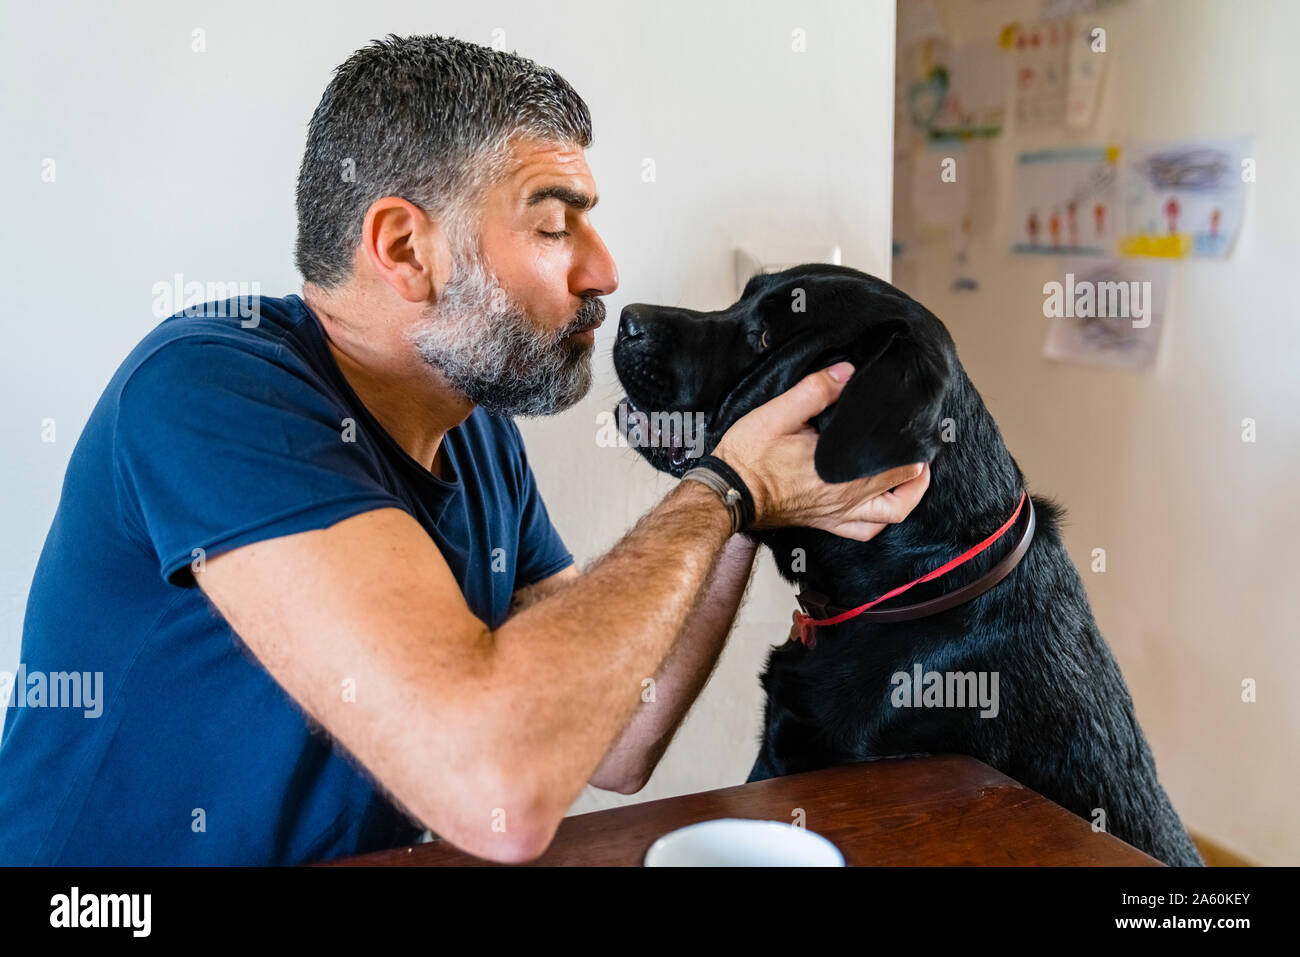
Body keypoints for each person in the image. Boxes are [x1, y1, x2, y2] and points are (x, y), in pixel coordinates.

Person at [0, 34, 928, 865]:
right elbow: (501, 797)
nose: (603, 270)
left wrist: (746, 495)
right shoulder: (209, 392)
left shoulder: (475, 430)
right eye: (556, 223)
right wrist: (723, 489)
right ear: (407, 247)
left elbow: (619, 739)